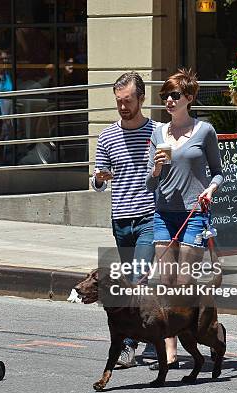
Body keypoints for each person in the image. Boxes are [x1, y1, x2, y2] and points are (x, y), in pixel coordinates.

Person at [145, 68, 223, 370]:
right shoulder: (158, 133)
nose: (168, 100)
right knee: (164, 282)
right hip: (164, 213)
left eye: (174, 95)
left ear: (189, 98)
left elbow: (218, 170)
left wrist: (211, 190)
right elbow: (150, 186)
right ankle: (170, 350)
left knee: (184, 280)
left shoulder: (204, 131)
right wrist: (155, 168)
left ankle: (207, 332)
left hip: (194, 213)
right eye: (165, 95)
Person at [91, 71, 160, 368]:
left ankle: (131, 345)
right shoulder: (107, 135)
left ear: (141, 99)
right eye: (118, 101)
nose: (122, 107)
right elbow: (97, 180)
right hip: (121, 219)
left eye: (128, 101)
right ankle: (154, 335)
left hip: (149, 217)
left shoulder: (158, 132)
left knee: (138, 279)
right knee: (137, 282)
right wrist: (98, 178)